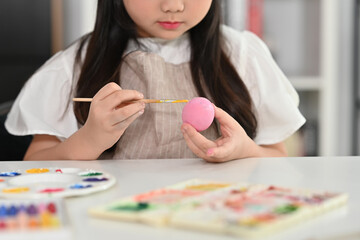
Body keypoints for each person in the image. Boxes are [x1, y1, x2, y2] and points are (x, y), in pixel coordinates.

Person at [5, 0, 305, 162]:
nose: (173, 5)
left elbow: (278, 155)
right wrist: (90, 140)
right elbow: (35, 164)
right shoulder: (76, 66)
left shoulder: (241, 56)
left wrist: (245, 152)